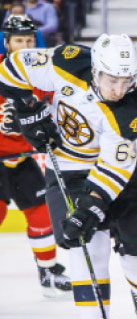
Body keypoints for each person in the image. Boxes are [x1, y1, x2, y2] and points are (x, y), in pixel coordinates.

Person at [0, 34, 137, 319]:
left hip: (119, 178)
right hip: (69, 170)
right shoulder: (67, 61)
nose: (119, 88)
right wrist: (31, 113)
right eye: (112, 79)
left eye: (127, 80)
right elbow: (11, 69)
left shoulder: (130, 111)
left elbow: (115, 166)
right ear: (95, 69)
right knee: (85, 245)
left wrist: (92, 205)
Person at [0, 15, 70, 296]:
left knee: (42, 214)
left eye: (30, 40)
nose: (26, 46)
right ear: (7, 43)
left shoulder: (41, 74)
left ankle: (48, 271)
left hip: (23, 158)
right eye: (19, 41)